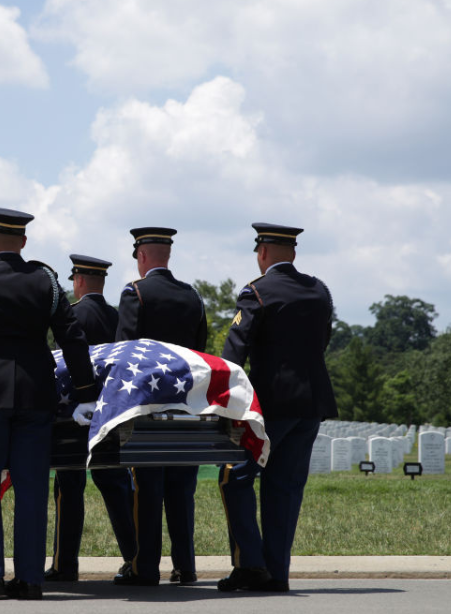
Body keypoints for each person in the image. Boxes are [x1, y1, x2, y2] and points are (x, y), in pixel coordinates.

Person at [0, 207, 99, 600]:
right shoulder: (46, 281)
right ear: (23, 242)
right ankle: (29, 579)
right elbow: (71, 336)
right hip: (34, 394)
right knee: (30, 488)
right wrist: (85, 391)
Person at [216, 223, 338, 593]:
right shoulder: (320, 291)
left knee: (234, 478)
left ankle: (251, 565)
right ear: (293, 253)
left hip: (270, 405)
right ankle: (277, 572)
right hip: (311, 404)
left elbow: (235, 354)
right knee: (284, 488)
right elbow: (324, 341)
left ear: (262, 253)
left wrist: (221, 401)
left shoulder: (257, 292)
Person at [113, 227, 207, 587]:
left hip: (148, 408)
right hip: (186, 405)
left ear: (141, 256)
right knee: (182, 491)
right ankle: (185, 567)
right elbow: (198, 352)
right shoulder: (192, 297)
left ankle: (144, 567)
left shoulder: (135, 293)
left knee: (147, 490)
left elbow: (125, 354)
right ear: (167, 255)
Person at [44, 254, 136, 583]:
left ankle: (64, 564)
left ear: (78, 281)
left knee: (69, 488)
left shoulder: (71, 314)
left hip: (75, 418)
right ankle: (132, 558)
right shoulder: (116, 315)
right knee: (117, 487)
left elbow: (62, 366)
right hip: (111, 414)